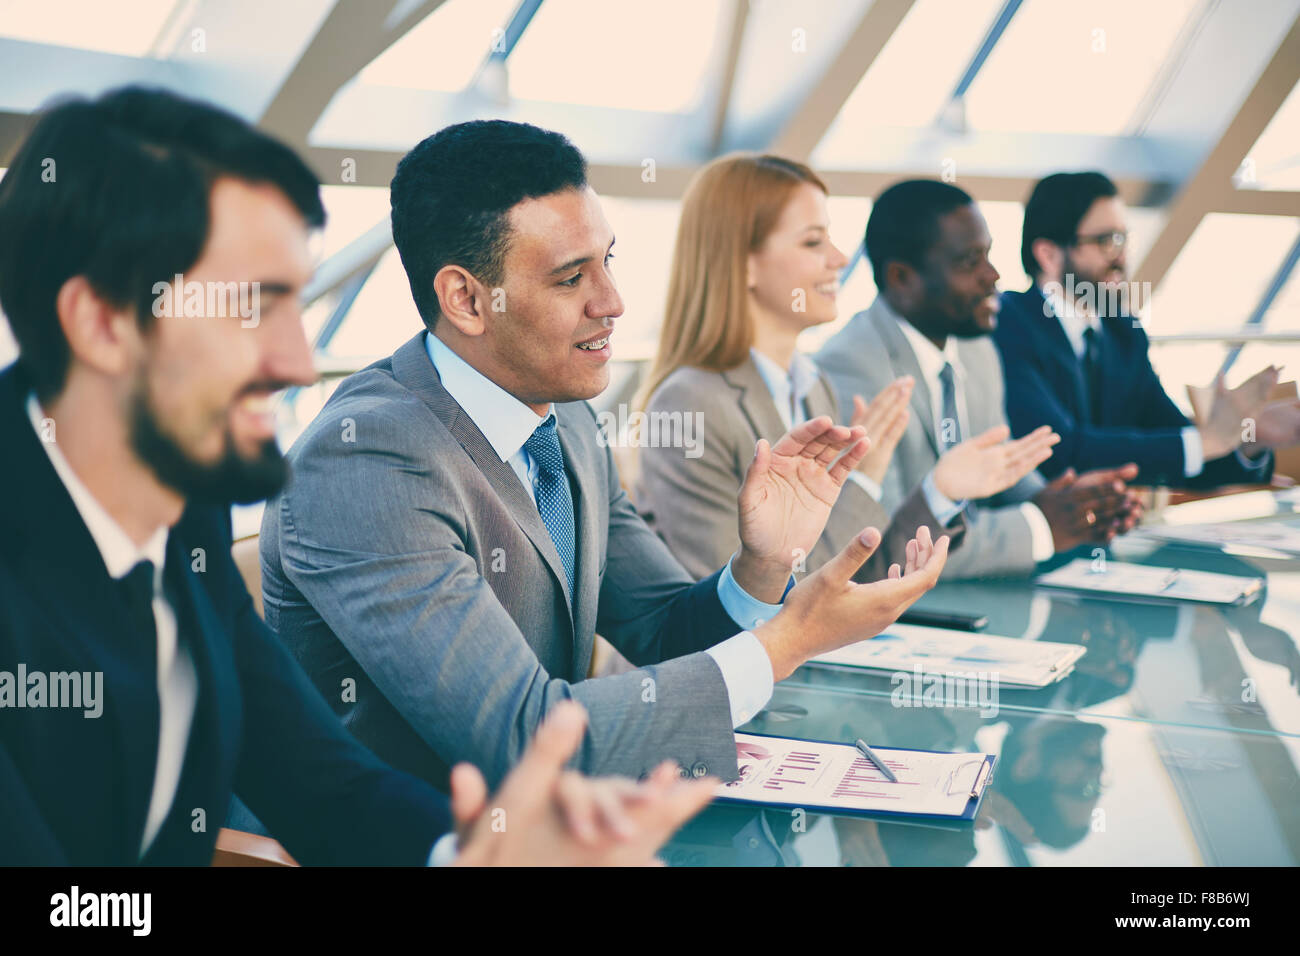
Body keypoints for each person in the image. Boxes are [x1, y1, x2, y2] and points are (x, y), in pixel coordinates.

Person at [0, 86, 717, 866]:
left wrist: (466, 858)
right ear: (101, 324)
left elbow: (321, 785)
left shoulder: (183, 511)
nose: (298, 363)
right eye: (250, 307)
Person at [260, 121, 950, 793]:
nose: (613, 302)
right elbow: (522, 738)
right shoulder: (368, 462)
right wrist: (788, 641)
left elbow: (659, 629)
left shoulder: (569, 421)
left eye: (607, 262)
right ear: (467, 299)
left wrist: (760, 566)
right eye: (569, 280)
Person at [635, 153, 1060, 581]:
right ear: (744, 261)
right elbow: (743, 605)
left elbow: (860, 573)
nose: (839, 258)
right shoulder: (689, 404)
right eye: (813, 242)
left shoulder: (812, 386)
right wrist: (864, 481)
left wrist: (939, 491)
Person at [815, 179, 1141, 580]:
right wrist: (1040, 528)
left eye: (988, 254)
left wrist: (1065, 501)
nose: (993, 275)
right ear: (901, 278)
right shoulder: (851, 367)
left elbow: (999, 471)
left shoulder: (976, 347)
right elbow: (882, 548)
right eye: (969, 261)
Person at [996, 171, 1297, 486]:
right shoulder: (1009, 326)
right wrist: (1208, 441)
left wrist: (1250, 433)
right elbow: (1060, 453)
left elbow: (1183, 452)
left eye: (1124, 239)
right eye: (1106, 241)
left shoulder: (1122, 334)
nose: (1122, 256)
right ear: (1048, 255)